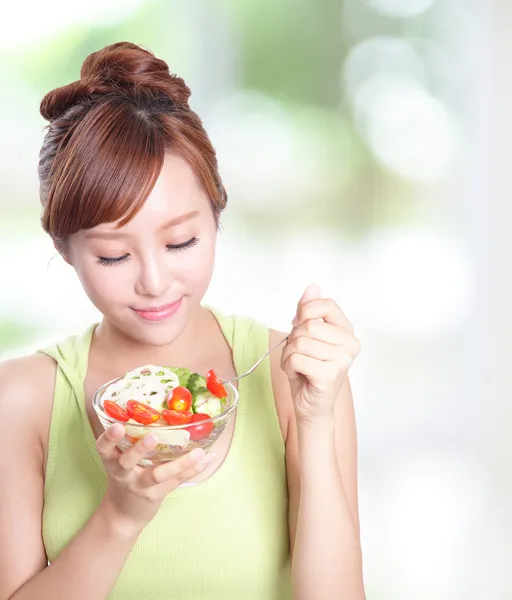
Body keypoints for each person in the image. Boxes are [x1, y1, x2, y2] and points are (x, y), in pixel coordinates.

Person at [0, 42, 365, 600]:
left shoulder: (296, 377)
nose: (154, 281)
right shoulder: (23, 399)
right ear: (64, 248)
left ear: (217, 216)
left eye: (181, 241)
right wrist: (122, 515)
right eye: (113, 256)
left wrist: (316, 421)